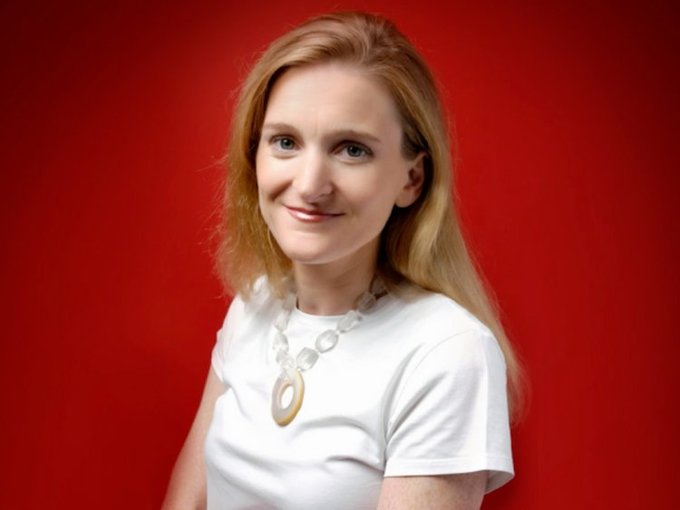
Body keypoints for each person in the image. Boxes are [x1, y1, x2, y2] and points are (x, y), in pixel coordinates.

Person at [163, 11, 523, 510]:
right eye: (285, 142)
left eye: (351, 150)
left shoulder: (447, 352)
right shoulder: (254, 305)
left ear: (412, 180)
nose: (310, 184)